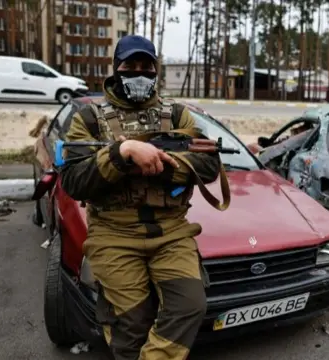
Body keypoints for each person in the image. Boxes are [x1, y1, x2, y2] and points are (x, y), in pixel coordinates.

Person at [59, 35, 221, 360]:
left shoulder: (177, 116)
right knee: (130, 325)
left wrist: (159, 163)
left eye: (147, 66)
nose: (139, 72)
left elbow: (208, 163)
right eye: (130, 66)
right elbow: (74, 180)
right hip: (114, 234)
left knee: (190, 305)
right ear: (116, 70)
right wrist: (122, 154)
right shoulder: (88, 120)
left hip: (172, 232)